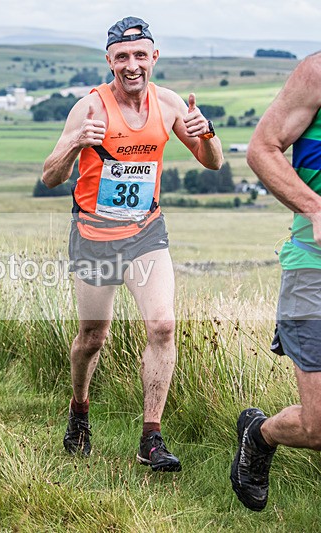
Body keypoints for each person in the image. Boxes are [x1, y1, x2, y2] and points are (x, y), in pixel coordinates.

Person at [41, 16, 223, 471]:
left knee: (162, 326)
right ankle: (79, 410)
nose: (132, 65)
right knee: (92, 337)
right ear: (110, 61)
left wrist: (207, 131)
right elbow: (50, 177)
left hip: (146, 232)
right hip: (94, 236)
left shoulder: (170, 104)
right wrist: (74, 144)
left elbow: (213, 163)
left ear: (154, 57)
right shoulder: (89, 108)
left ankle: (151, 438)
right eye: (122, 57)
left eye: (140, 55)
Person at [231, 53, 321, 511]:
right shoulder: (316, 73)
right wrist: (315, 207)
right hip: (313, 269)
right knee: (318, 428)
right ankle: (260, 434)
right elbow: (262, 148)